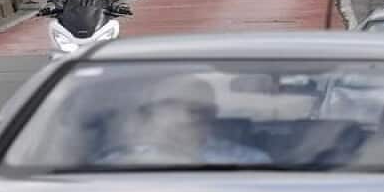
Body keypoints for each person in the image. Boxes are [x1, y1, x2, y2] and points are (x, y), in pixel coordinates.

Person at [100, 76, 272, 166]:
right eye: (173, 105)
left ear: (213, 114)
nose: (187, 117)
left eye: (200, 109)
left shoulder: (248, 161)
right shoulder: (118, 164)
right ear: (153, 112)